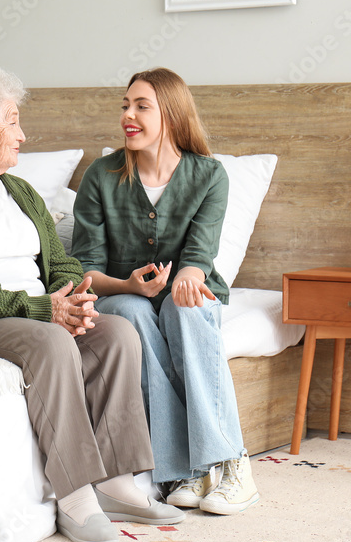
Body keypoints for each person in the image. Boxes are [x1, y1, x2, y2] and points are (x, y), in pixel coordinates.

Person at [0, 65, 183, 542]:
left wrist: (76, 297)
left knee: (117, 333)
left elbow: (62, 262)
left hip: (38, 309)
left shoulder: (20, 191)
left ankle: (115, 482)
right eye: (12, 121)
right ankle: (74, 493)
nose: (23, 135)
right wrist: (45, 310)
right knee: (51, 343)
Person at [71, 67, 260, 515]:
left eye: (141, 106)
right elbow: (85, 269)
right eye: (125, 106)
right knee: (132, 314)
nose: (128, 116)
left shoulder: (210, 175)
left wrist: (188, 277)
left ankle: (232, 463)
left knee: (185, 310)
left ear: (171, 115)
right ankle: (184, 470)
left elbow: (200, 253)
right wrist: (128, 284)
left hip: (186, 292)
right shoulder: (101, 175)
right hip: (122, 293)